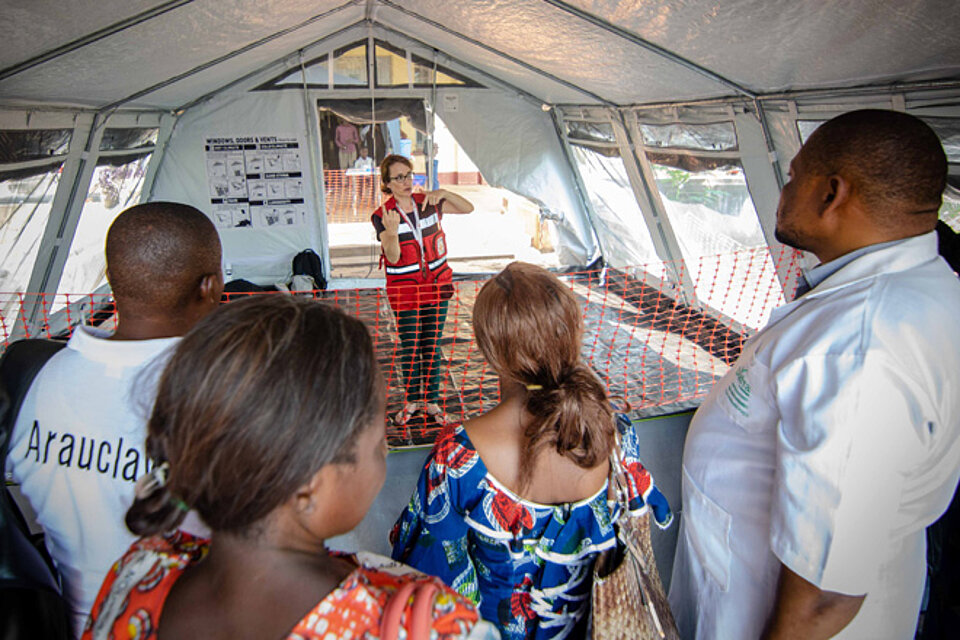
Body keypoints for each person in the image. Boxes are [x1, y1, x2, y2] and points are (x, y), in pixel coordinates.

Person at [668, 109, 960, 639]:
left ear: (832, 194)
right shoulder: (918, 286)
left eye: (794, 176)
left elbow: (825, 594)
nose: (784, 191)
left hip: (771, 616)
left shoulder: (860, 347)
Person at [81, 296, 497, 640]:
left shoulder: (142, 569)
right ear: (307, 484)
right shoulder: (433, 624)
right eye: (376, 442)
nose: (386, 450)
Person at [390, 262, 672, 639]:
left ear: (489, 353)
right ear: (570, 334)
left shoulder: (458, 460)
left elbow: (432, 576)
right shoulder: (616, 437)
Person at [5, 202, 223, 637]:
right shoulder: (227, 393)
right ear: (210, 286)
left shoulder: (26, 376)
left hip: (64, 621)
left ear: (111, 279)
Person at [371, 154, 474, 425]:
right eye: (399, 177)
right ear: (387, 183)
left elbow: (468, 209)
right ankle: (412, 400)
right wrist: (391, 233)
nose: (407, 181)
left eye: (409, 174)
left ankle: (432, 402)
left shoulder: (428, 203)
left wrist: (445, 192)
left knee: (432, 345)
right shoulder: (383, 215)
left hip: (437, 287)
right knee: (411, 345)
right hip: (406, 293)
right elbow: (392, 258)